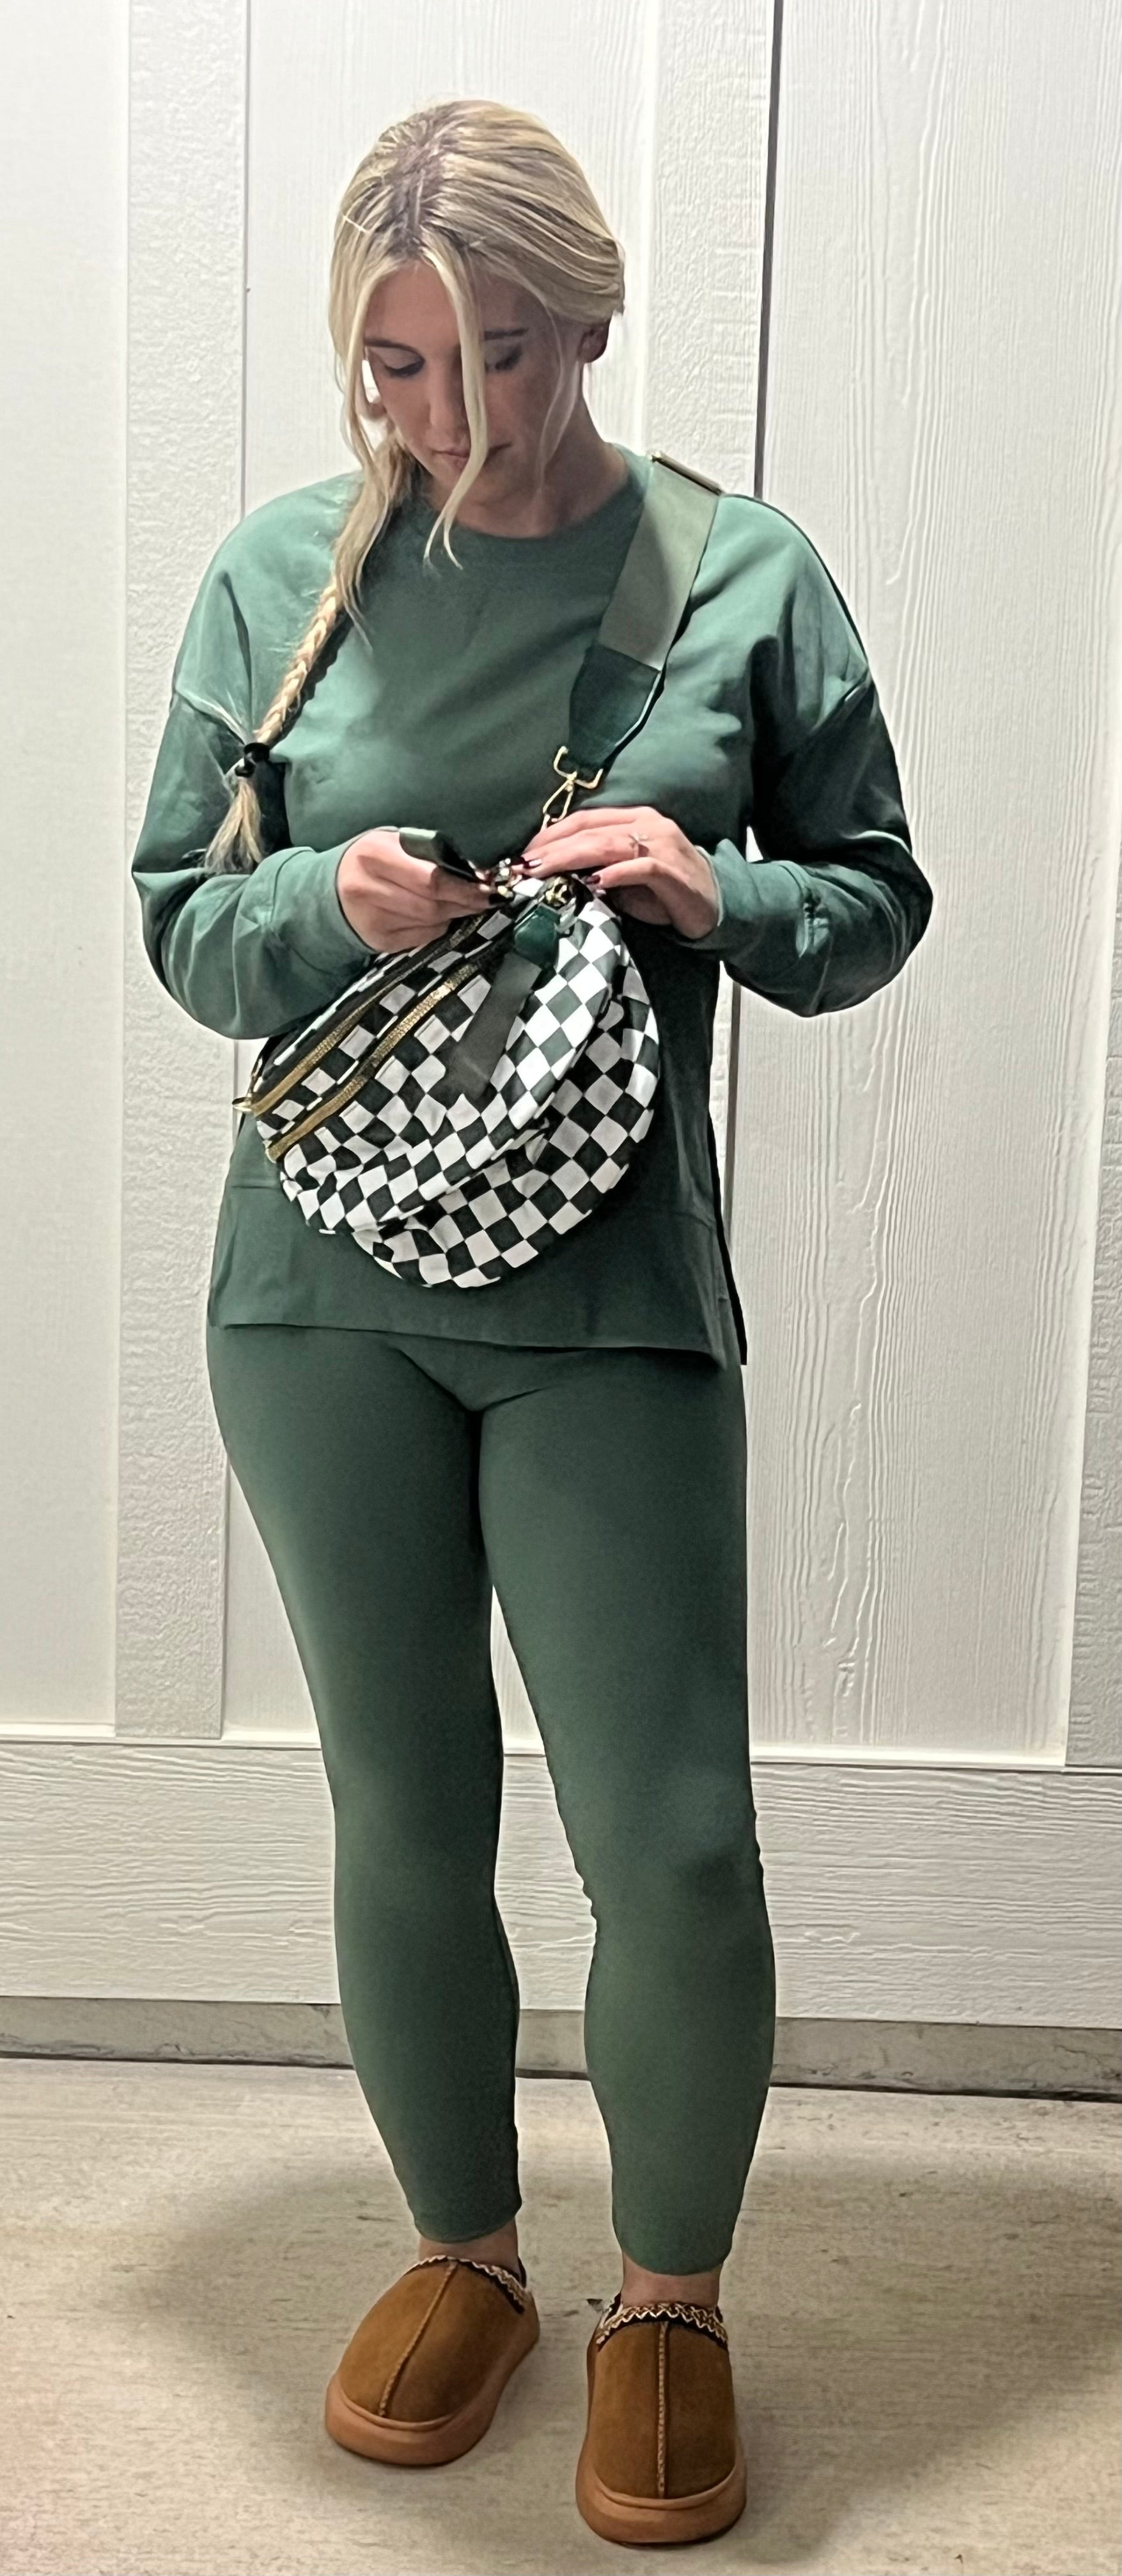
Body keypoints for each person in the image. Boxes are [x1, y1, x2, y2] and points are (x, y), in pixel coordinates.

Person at [130, 96, 933, 2551]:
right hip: (318, 1295)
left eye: (495, 355)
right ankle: (463, 2253)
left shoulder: (738, 574)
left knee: (669, 1840)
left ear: (587, 318)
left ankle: (665, 2299)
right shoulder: (278, 575)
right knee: (405, 1805)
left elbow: (874, 897)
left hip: (604, 1297)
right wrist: (324, 909)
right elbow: (179, 921)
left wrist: (716, 886)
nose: (447, 416)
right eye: (395, 367)